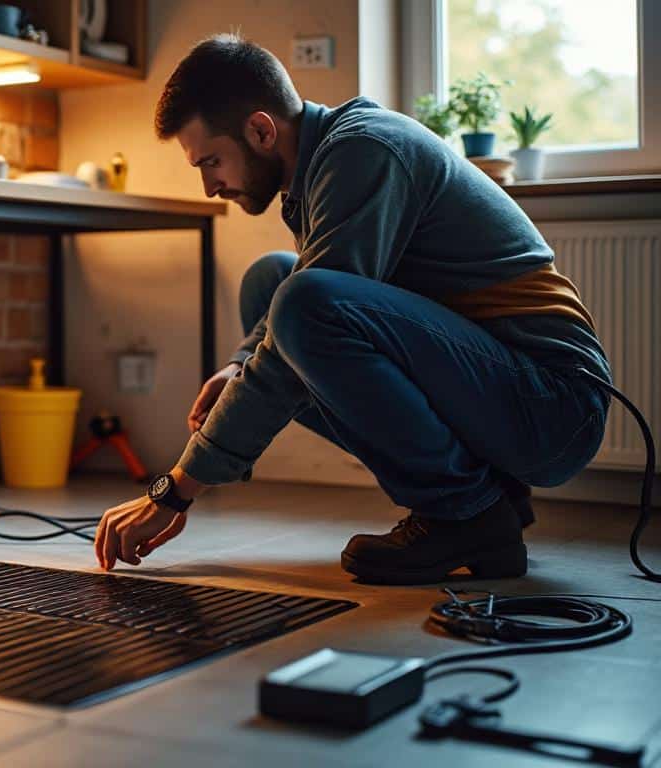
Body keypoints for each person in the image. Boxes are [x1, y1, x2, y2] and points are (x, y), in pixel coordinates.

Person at [93, 33, 610, 584]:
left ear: (262, 131)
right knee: (273, 282)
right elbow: (298, 314)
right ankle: (490, 497)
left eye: (212, 162)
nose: (208, 187)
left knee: (302, 301)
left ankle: (464, 512)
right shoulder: (329, 161)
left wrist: (176, 488)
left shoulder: (365, 150)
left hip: (551, 404)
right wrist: (238, 367)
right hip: (502, 389)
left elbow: (308, 316)